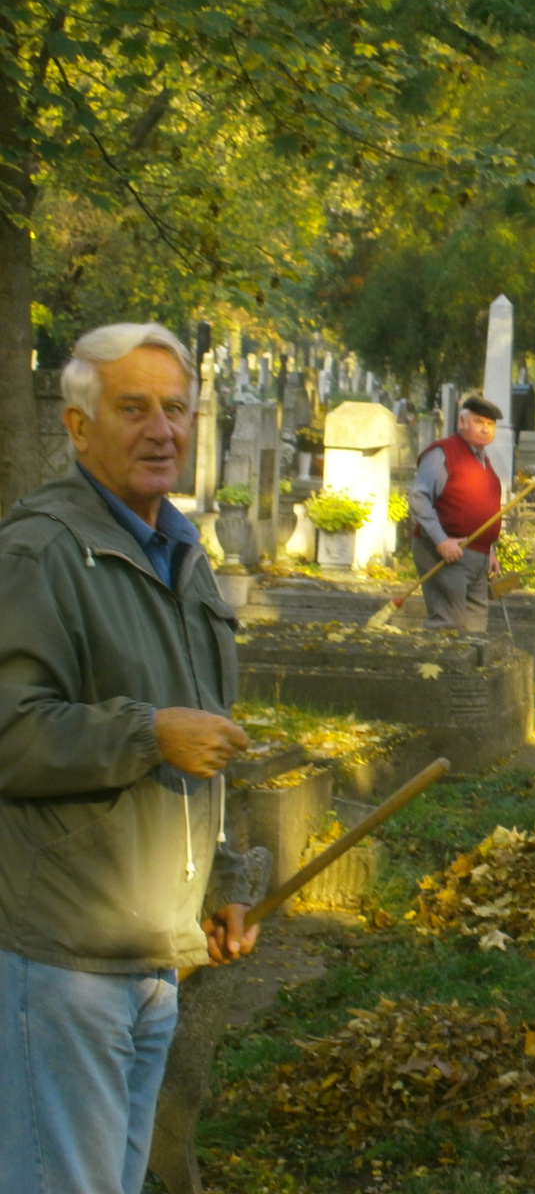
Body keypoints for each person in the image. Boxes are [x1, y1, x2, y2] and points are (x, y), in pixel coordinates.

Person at [0, 323, 259, 1194]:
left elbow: (206, 747)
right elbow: (12, 734)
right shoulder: (40, 552)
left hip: (156, 955)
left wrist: (226, 880)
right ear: (78, 428)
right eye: (134, 408)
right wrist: (145, 733)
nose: (162, 430)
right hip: (63, 958)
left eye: (176, 409)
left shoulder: (183, 556)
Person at [409, 396, 504, 631]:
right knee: (447, 621)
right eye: (478, 421)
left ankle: (468, 668)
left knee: (475, 624)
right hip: (447, 551)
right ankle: (433, 667)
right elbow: (419, 497)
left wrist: (488, 549)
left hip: (478, 557)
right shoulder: (442, 453)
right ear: (462, 422)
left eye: (490, 424)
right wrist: (441, 541)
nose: (485, 429)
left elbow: (484, 510)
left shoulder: (483, 461)